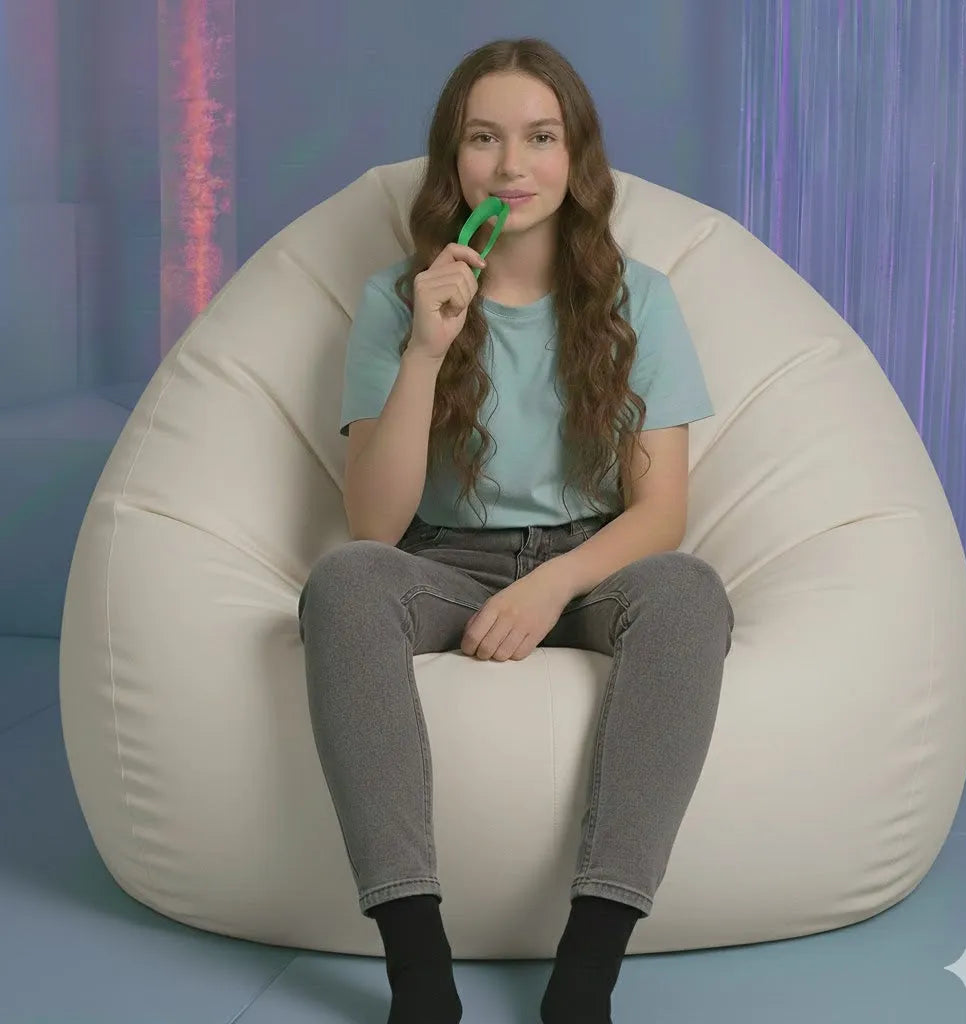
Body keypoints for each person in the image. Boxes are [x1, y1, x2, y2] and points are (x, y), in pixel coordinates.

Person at [298, 36, 734, 1024]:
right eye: (482, 138)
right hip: (442, 561)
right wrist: (426, 349)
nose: (510, 166)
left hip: (591, 562)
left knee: (689, 590)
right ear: (452, 161)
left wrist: (548, 585)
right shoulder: (395, 301)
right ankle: (418, 970)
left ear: (576, 157)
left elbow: (660, 512)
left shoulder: (640, 299)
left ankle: (588, 970)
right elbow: (374, 523)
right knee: (345, 580)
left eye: (539, 137)